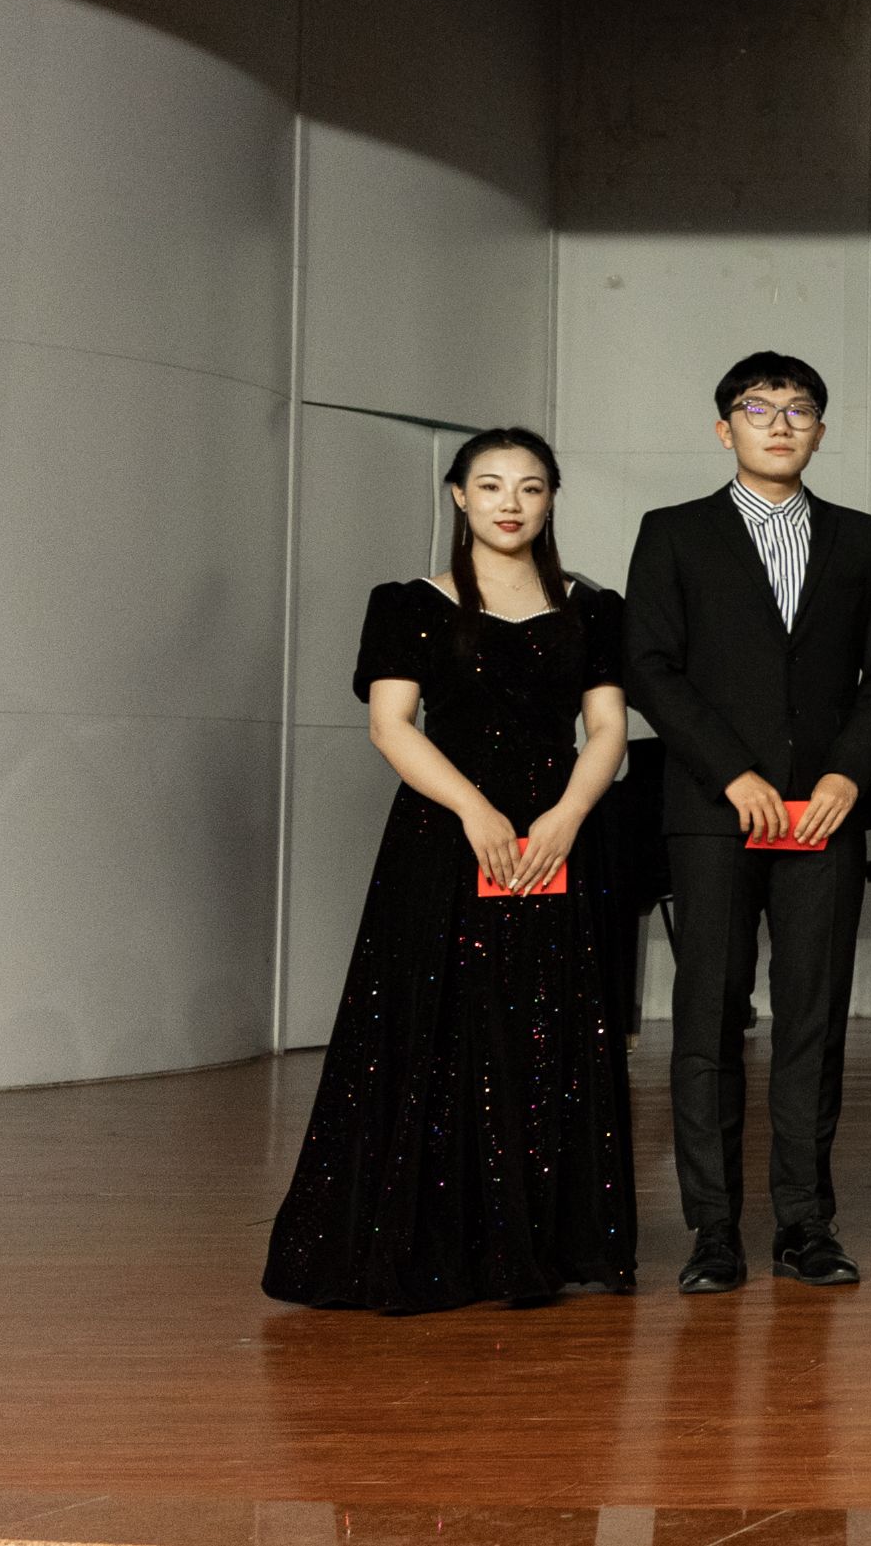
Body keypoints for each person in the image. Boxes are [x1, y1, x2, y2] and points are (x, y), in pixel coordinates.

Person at [266, 429, 635, 1313]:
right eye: (491, 484)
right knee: (436, 1023)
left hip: (557, 835)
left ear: (551, 498)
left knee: (546, 1025)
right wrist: (475, 809)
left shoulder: (592, 607)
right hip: (445, 835)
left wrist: (566, 817)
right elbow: (390, 724)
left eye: (531, 486)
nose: (512, 502)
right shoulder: (409, 603)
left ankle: (542, 1240)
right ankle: (437, 1242)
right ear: (460, 496)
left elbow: (608, 729)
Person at [620, 352, 871, 1294]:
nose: (779, 424)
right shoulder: (673, 532)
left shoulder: (862, 539)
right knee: (707, 1016)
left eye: (799, 410)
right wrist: (732, 771)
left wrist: (847, 774)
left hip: (824, 811)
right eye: (758, 408)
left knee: (812, 1019)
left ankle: (804, 1222)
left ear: (821, 430)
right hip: (713, 811)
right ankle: (712, 1229)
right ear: (724, 428)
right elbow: (650, 666)